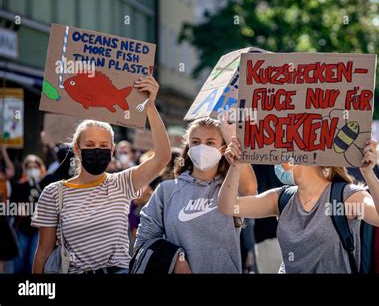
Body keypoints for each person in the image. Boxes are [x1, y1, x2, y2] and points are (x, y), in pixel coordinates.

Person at [32, 76, 171, 274]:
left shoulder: (122, 183)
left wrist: (149, 106)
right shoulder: (54, 193)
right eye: (89, 145)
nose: (97, 150)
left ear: (112, 149)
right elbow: (43, 253)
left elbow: (163, 157)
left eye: (104, 146)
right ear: (77, 149)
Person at [218, 137, 379, 273]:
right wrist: (235, 167)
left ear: (297, 157)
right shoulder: (283, 198)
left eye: (283, 149)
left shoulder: (345, 196)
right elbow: (228, 207)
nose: (277, 157)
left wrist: (368, 174)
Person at [135, 117, 257, 273]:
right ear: (188, 146)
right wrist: (175, 259)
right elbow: (144, 239)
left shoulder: (230, 188)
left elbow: (250, 190)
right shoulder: (166, 191)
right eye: (196, 142)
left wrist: (235, 143)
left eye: (210, 142)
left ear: (222, 149)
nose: (202, 147)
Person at [10, 155, 46, 273]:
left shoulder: (46, 187)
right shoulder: (18, 186)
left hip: (38, 230)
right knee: (19, 263)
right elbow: (11, 208)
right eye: (29, 167)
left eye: (35, 167)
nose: (32, 170)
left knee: (33, 262)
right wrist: (18, 210)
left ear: (40, 168)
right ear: (25, 169)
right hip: (22, 229)